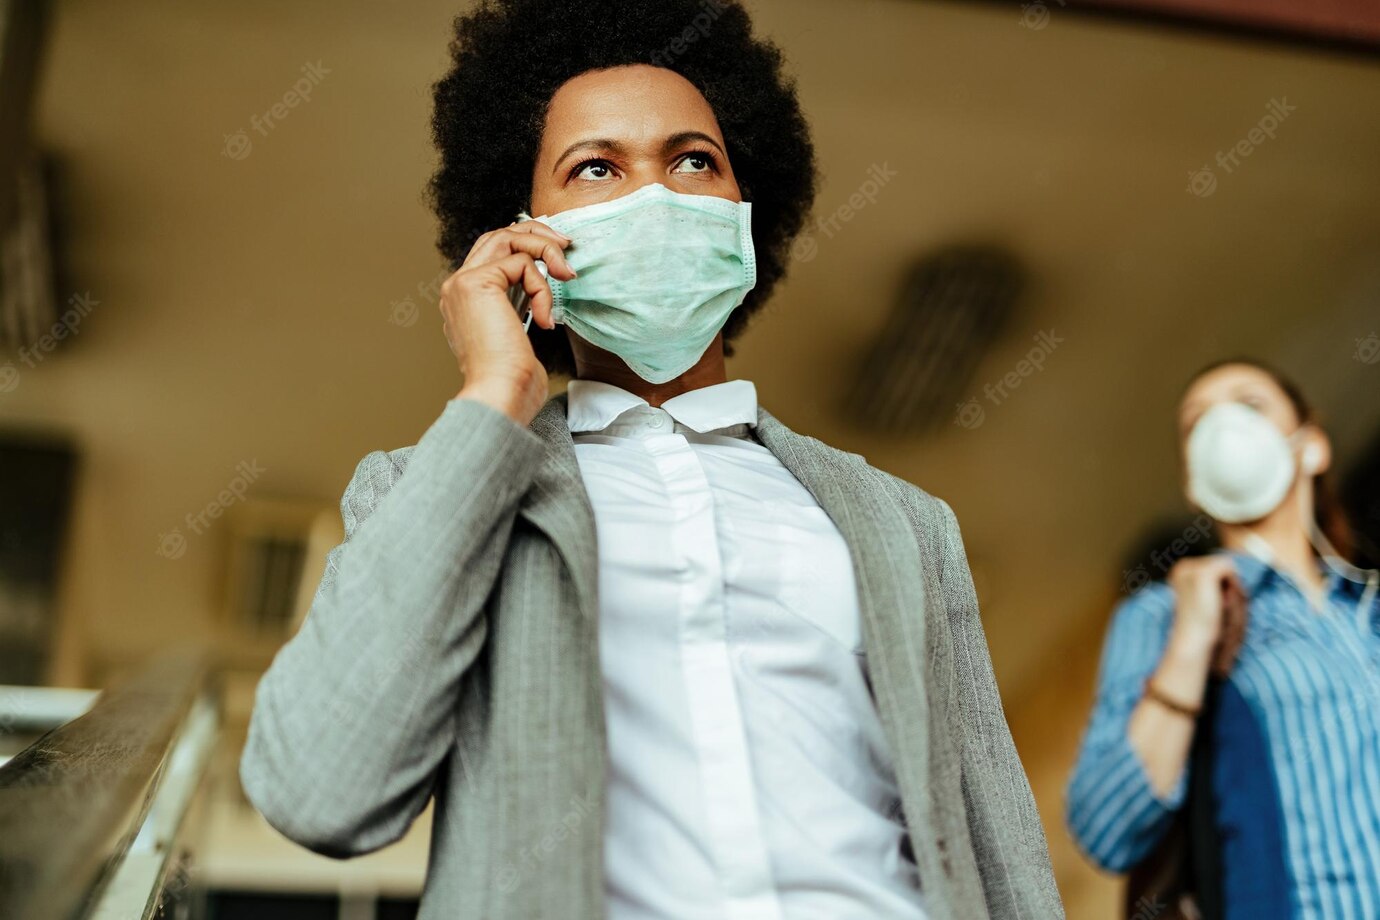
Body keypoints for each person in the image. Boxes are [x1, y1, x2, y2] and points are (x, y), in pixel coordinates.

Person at [240, 2, 1062, 918]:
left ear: (747, 211)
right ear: (523, 233)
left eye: (693, 160)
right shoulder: (428, 490)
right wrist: (496, 393)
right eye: (596, 168)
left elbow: (1001, 848)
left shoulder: (906, 521)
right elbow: (320, 788)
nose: (657, 196)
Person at [1067, 359, 1380, 918]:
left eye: (1248, 405)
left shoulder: (1370, 611)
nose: (1223, 428)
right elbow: (1106, 830)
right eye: (1197, 423)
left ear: (1311, 447)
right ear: (1194, 482)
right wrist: (1191, 643)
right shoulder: (1162, 616)